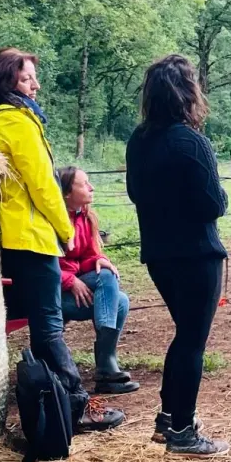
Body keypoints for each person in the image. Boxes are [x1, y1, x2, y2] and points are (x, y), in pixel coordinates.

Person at [0, 48, 124, 433]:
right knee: (49, 326)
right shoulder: (20, 122)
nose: (36, 85)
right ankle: (76, 405)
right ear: (7, 82)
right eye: (27, 79)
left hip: (1, 237)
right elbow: (43, 185)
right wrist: (65, 228)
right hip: (32, 236)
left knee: (40, 326)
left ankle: (57, 405)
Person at [126, 54, 230, 458]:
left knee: (184, 337)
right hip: (196, 254)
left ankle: (169, 418)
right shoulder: (192, 142)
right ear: (187, 93)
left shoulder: (139, 140)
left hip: (158, 254)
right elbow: (214, 204)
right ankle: (183, 430)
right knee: (191, 341)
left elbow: (137, 194)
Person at [57, 166, 137, 395]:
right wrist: (71, 281)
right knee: (114, 294)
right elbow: (44, 268)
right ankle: (106, 368)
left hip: (76, 288)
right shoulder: (51, 222)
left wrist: (100, 259)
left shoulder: (86, 217)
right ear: (66, 193)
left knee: (120, 298)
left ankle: (106, 367)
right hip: (53, 294)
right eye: (84, 184)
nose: (91, 188)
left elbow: (88, 255)